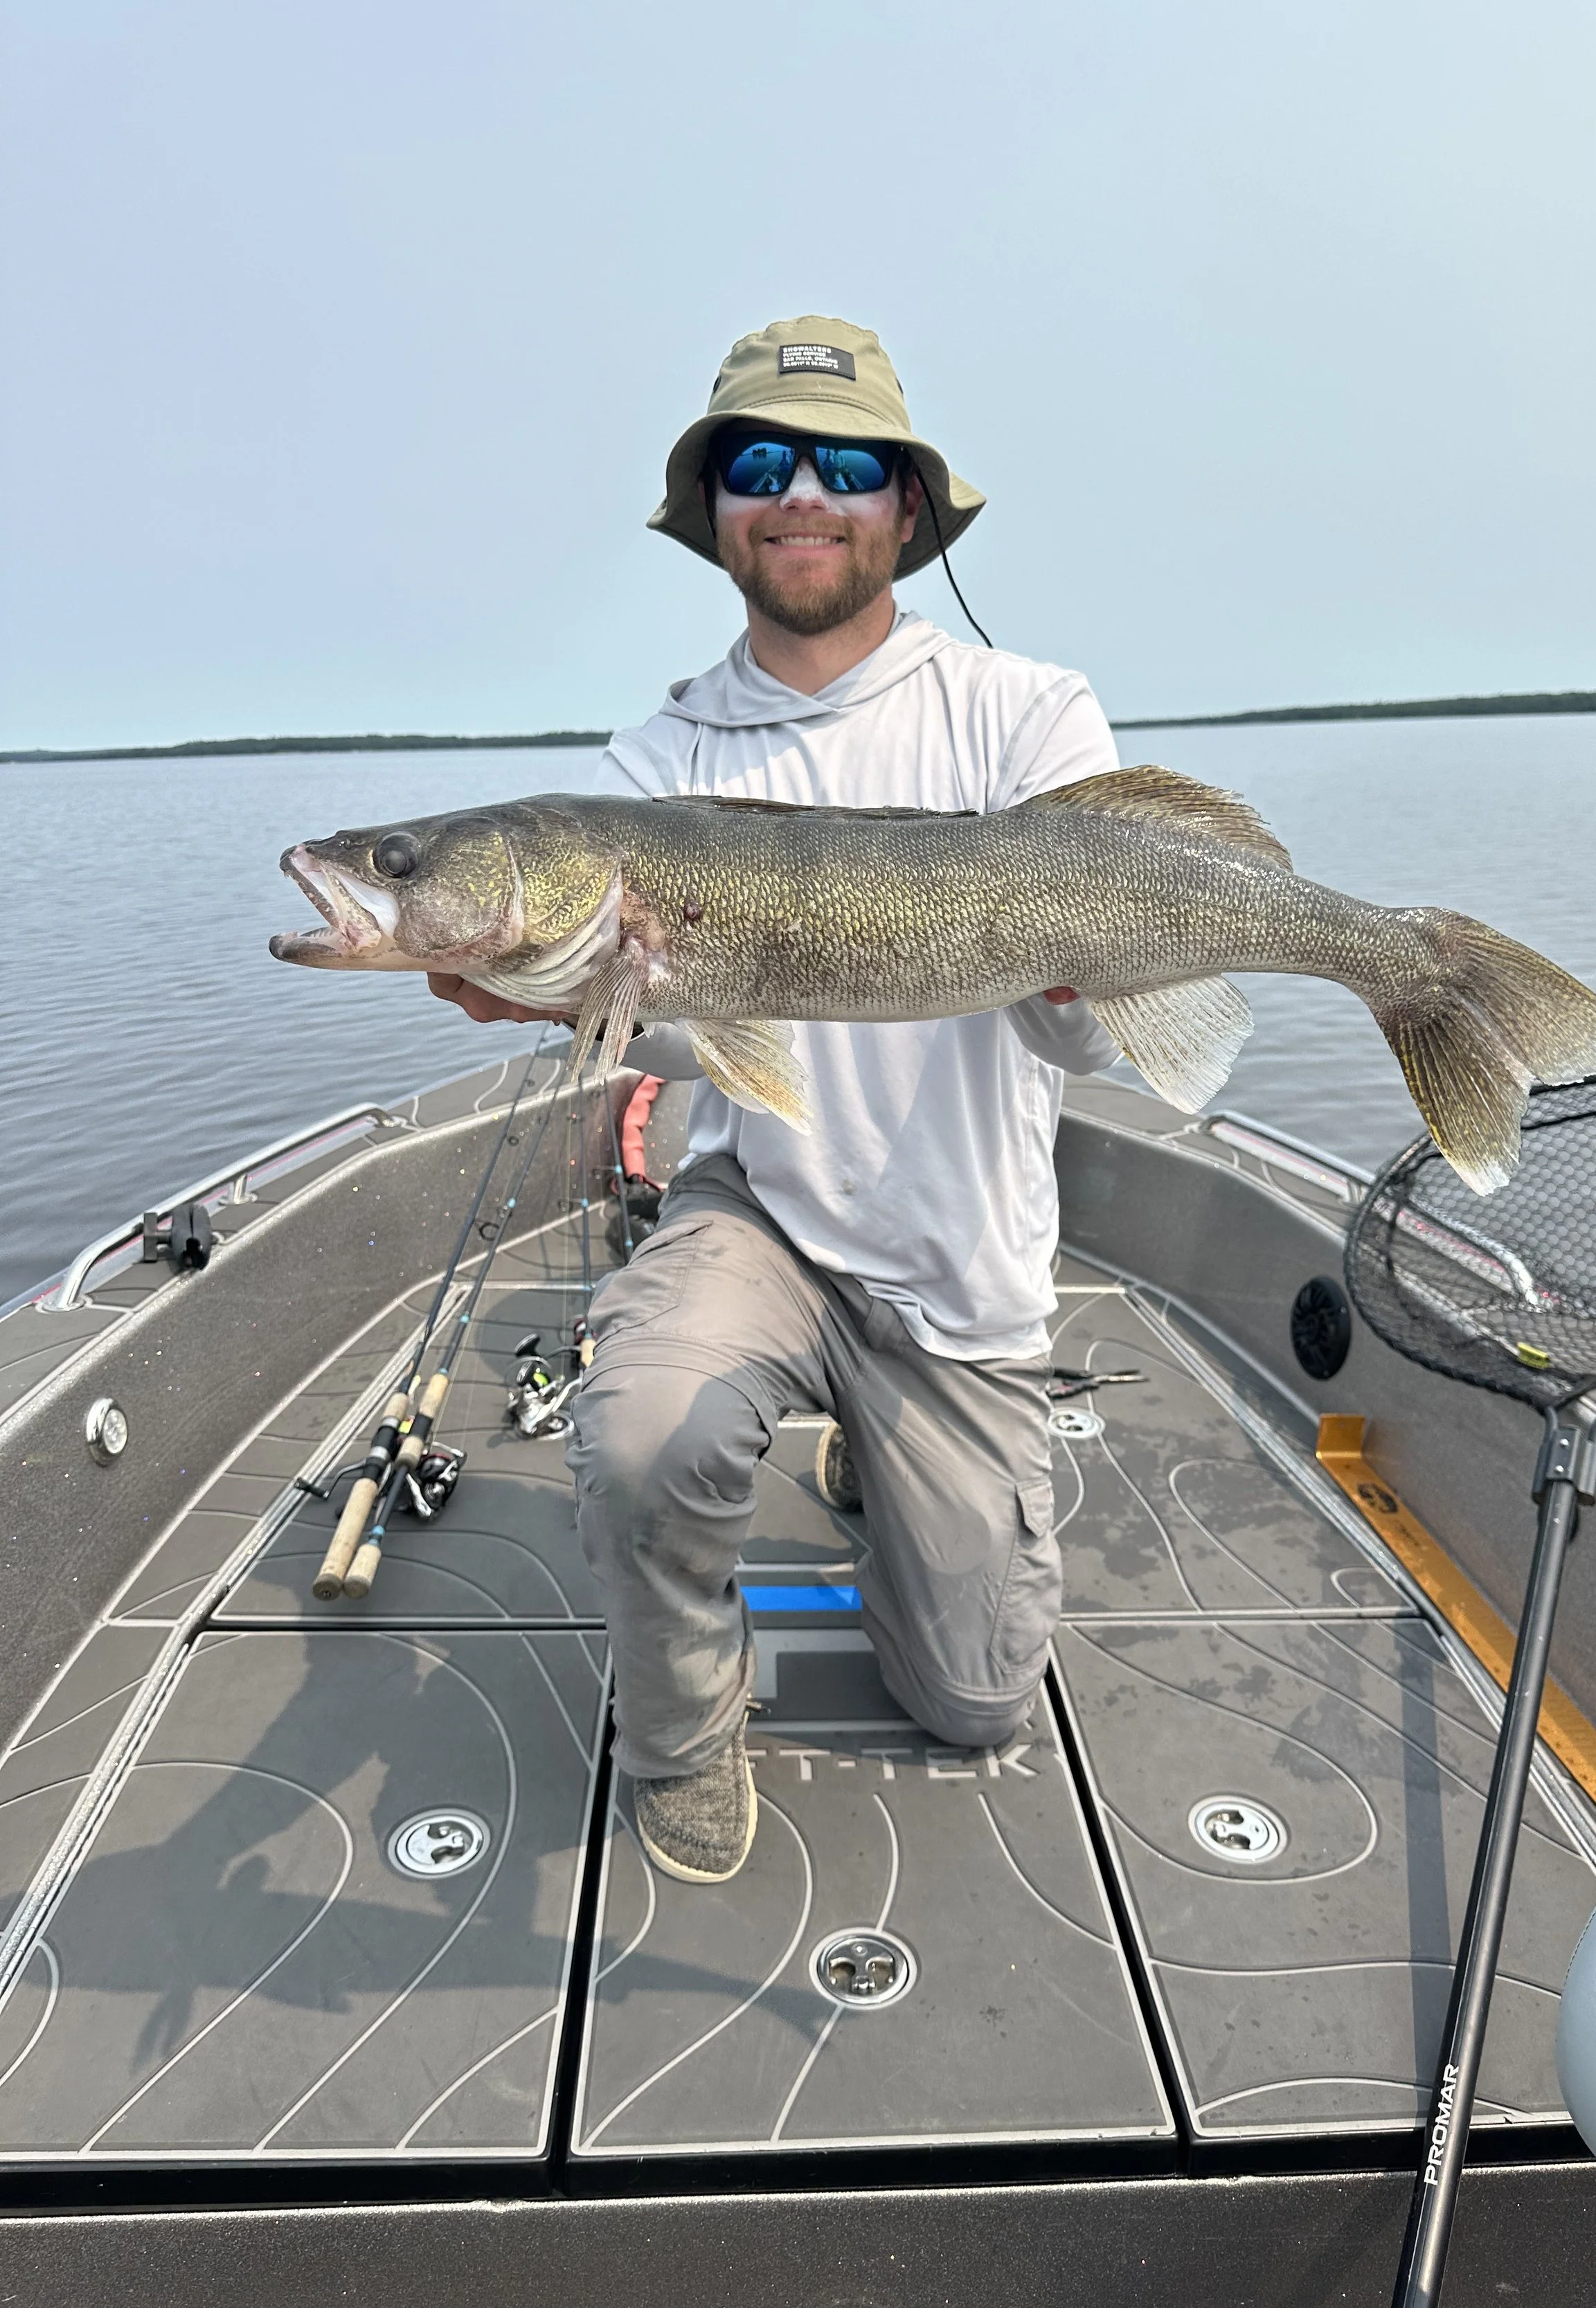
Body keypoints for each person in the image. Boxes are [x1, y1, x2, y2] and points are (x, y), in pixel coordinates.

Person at [432, 315, 1124, 1884]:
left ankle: (874, 1459)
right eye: (758, 463)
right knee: (641, 1434)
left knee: (972, 1702)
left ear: (902, 508)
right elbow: (685, 1048)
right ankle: (680, 1739)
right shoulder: (657, 762)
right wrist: (561, 989)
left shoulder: (1026, 716)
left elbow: (1085, 1051)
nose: (798, 493)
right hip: (763, 1206)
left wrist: (1084, 980)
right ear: (718, 514)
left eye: (844, 465)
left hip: (960, 1254)